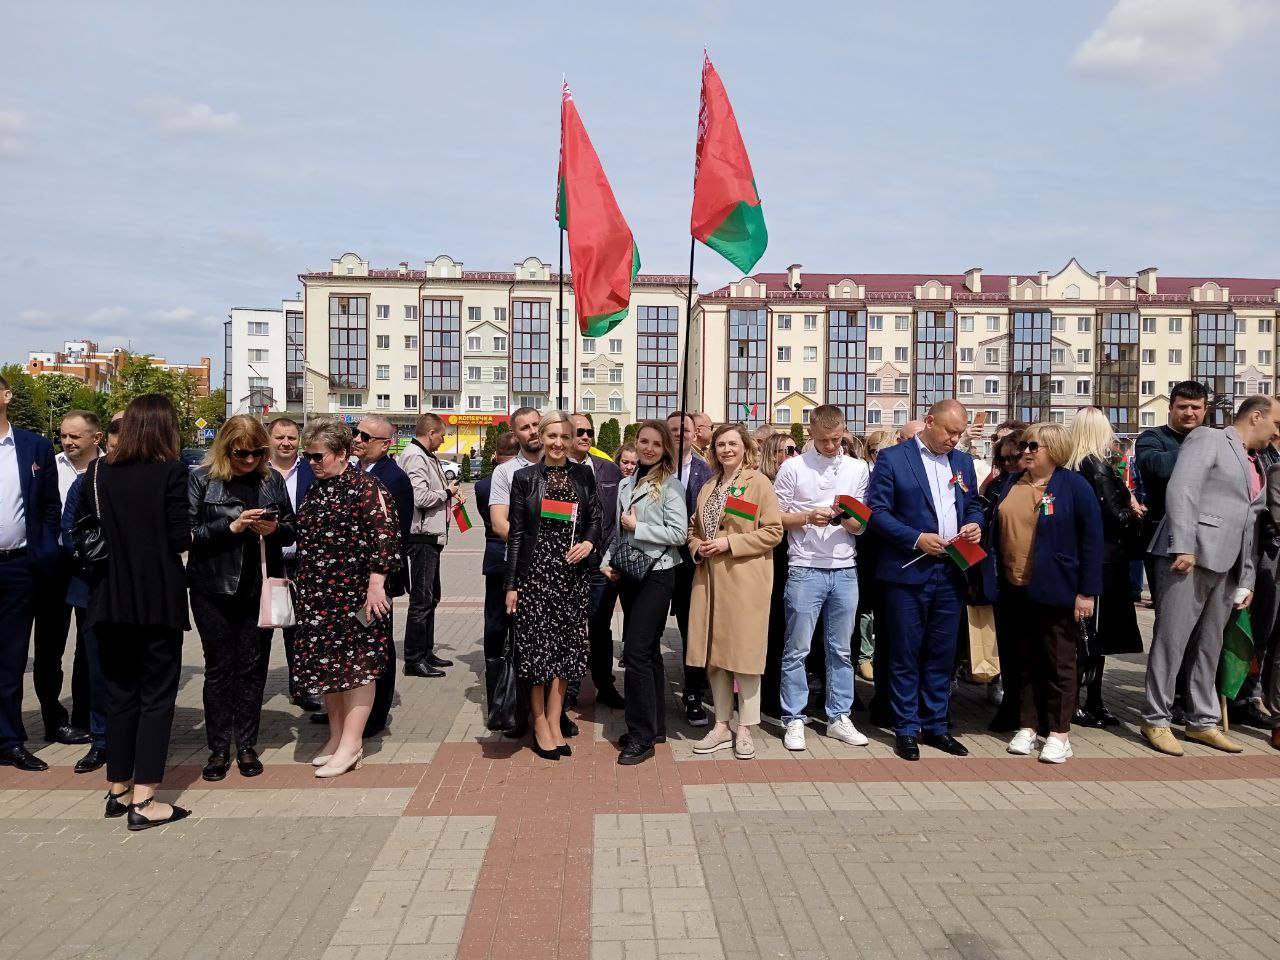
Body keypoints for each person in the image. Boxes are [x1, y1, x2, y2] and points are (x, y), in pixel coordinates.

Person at [76, 394, 192, 828]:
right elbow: (180, 537)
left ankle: (118, 788)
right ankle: (145, 800)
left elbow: (82, 529)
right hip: (157, 597)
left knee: (121, 696)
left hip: (108, 598)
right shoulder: (172, 472)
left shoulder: (97, 472)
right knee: (156, 698)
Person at [1141, 395, 1279, 756]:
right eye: (1276, 424)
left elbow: (1250, 525)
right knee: (1172, 641)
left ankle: (1202, 721)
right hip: (1188, 558)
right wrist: (1183, 545)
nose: (1276, 433)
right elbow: (1183, 488)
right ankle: (1156, 718)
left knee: (1210, 645)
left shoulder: (1257, 461)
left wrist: (1246, 578)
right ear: (1256, 416)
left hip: (1229, 565)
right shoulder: (1209, 438)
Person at [867, 399, 984, 762]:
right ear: (930, 422)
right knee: (905, 652)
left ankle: (935, 725)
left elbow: (974, 504)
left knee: (941, 653)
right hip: (908, 570)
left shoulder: (962, 462)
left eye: (960, 433)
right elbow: (877, 513)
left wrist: (975, 523)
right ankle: (906, 727)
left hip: (951, 568)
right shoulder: (893, 458)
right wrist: (916, 538)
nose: (955, 439)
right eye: (950, 431)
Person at [984, 423, 1103, 763]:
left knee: (1058, 662)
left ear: (1055, 449)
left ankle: (1059, 733)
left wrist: (1087, 592)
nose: (1025, 451)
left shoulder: (1074, 486)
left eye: (1033, 446)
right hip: (1013, 587)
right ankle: (1027, 725)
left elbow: (1092, 542)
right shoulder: (1011, 483)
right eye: (1024, 445)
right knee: (1022, 659)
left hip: (1057, 587)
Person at [188, 415, 297, 781]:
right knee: (220, 667)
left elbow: (292, 528)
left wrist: (274, 528)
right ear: (226, 449)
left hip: (258, 588)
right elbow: (188, 534)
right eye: (241, 453)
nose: (250, 460)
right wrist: (230, 526)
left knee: (253, 667)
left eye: (257, 453)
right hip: (213, 588)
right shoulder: (202, 479)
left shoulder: (271, 480)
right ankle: (219, 748)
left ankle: (247, 744)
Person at [293, 419, 401, 777]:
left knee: (357, 667)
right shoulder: (317, 489)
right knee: (329, 668)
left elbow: (384, 537)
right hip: (319, 595)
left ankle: (352, 743)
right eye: (308, 456)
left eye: (318, 456)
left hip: (355, 595)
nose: (312, 462)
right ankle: (336, 737)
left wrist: (376, 584)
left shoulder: (366, 487)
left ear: (341, 453)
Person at [773, 404, 872, 753]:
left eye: (835, 439)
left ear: (844, 431)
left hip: (845, 568)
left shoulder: (858, 468)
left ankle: (839, 716)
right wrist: (806, 517)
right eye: (823, 440)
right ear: (810, 434)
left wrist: (844, 517)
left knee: (841, 650)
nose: (830, 446)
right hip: (804, 566)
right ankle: (794, 717)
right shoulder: (793, 467)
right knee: (797, 648)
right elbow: (775, 518)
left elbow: (860, 525)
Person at [503, 411, 601, 761]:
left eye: (565, 437)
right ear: (541, 437)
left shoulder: (583, 475)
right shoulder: (525, 478)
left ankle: (556, 718)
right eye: (552, 436)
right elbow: (516, 533)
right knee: (536, 652)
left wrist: (588, 543)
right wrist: (512, 584)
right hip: (536, 575)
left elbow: (595, 519)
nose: (558, 443)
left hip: (572, 576)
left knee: (566, 650)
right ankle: (540, 722)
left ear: (572, 440)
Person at [686, 425, 783, 759]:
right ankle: (721, 725)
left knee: (744, 656)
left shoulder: (759, 483)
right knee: (715, 656)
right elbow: (694, 529)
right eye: (720, 444)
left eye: (732, 444)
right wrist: (697, 547)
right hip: (709, 580)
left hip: (744, 580)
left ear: (745, 448)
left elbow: (773, 531)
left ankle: (745, 728)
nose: (726, 449)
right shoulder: (709, 485)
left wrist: (730, 542)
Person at [602, 421, 688, 765]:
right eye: (643, 441)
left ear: (665, 448)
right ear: (635, 443)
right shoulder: (627, 482)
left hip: (658, 574)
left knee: (635, 652)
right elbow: (618, 532)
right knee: (649, 652)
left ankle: (640, 736)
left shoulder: (671, 485)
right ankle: (654, 727)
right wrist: (608, 562)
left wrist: (640, 526)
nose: (649, 448)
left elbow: (679, 533)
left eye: (656, 443)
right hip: (629, 572)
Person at [1067, 408, 1145, 727]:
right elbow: (1113, 517)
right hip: (1105, 561)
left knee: (1086, 636)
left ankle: (1085, 701)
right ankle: (1086, 702)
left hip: (1089, 558)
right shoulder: (1097, 467)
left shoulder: (1072, 465)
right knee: (1092, 636)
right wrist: (1134, 512)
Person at [0, 373, 61, 772]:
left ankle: (9, 740)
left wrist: (45, 549)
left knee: (11, 657)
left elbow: (50, 507)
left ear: (6, 396)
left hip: (18, 566)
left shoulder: (33, 446)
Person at [33, 410, 103, 748]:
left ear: (96, 437)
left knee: (89, 646)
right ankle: (53, 719)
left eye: (75, 436)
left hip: (91, 566)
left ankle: (83, 717)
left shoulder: (107, 469)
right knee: (49, 646)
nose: (67, 442)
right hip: (53, 565)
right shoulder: (50, 465)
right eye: (63, 435)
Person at [351, 415, 413, 736]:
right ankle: (350, 707)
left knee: (377, 643)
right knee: (354, 641)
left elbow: (395, 534)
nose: (357, 440)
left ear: (385, 444)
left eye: (366, 437)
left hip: (377, 579)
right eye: (356, 433)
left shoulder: (394, 478)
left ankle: (376, 714)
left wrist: (382, 579)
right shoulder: (353, 471)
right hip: (350, 578)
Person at [568, 413, 625, 709]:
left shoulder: (608, 469)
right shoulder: (554, 469)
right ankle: (570, 688)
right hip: (568, 561)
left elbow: (618, 516)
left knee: (600, 625)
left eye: (589, 431)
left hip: (602, 561)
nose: (585, 436)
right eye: (579, 431)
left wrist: (612, 555)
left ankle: (605, 685)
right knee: (570, 625)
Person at [397, 412, 459, 679]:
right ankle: (414, 659)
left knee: (431, 598)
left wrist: (449, 495)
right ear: (431, 433)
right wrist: (447, 493)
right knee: (421, 600)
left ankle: (426, 651)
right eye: (442, 435)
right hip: (421, 537)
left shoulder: (427, 456)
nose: (443, 440)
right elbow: (419, 497)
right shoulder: (415, 456)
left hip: (431, 536)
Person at [1135, 381, 1209, 604]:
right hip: (1163, 538)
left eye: (1196, 407)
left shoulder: (1211, 440)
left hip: (1207, 536)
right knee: (1169, 611)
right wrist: (1202, 448)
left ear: (1205, 409)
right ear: (1171, 407)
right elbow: (1158, 467)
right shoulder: (1152, 438)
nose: (1189, 413)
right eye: (1182, 407)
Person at [266, 416, 320, 712]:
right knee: (264, 625)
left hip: (303, 562)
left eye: (291, 438)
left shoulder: (311, 470)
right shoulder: (258, 471)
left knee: (300, 629)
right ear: (269, 439)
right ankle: (253, 688)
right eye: (280, 437)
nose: (286, 443)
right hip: (267, 562)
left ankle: (303, 686)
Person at [667, 410, 712, 727]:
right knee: (648, 632)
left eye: (684, 429)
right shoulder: (652, 466)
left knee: (691, 630)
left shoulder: (705, 471)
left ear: (695, 434)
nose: (678, 434)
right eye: (672, 429)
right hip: (655, 560)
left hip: (689, 562)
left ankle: (693, 693)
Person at [476, 432, 520, 724]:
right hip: (520, 558)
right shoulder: (519, 478)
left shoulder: (483, 484)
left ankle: (496, 698)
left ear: (496, 452)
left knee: (494, 626)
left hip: (495, 558)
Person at [759, 432, 797, 719]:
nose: (795, 455)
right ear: (773, 455)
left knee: (784, 632)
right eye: (789, 450)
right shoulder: (759, 484)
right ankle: (764, 694)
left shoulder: (797, 481)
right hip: (764, 563)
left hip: (790, 563)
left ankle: (778, 693)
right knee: (768, 631)